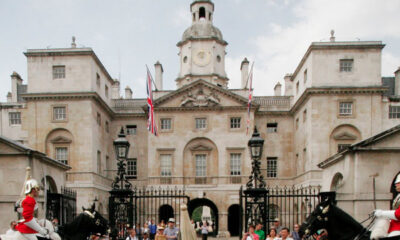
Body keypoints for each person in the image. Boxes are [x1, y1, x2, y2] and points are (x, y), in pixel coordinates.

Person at [375, 172, 400, 237]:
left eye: (398, 183)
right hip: (394, 226)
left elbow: (398, 214)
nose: (395, 184)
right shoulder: (398, 196)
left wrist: (382, 213)